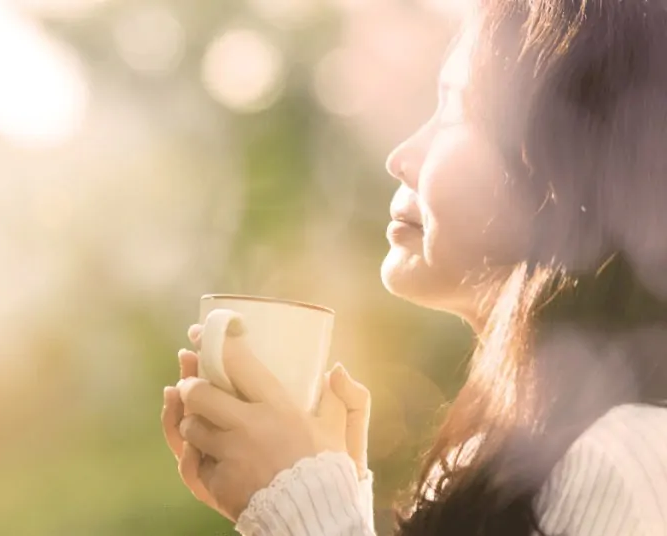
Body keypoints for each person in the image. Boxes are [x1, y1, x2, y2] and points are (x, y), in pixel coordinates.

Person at [160, 0, 667, 534]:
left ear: (572, 166)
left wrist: (300, 500)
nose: (401, 156)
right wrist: (322, 496)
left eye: (457, 112)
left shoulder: (624, 461)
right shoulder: (502, 461)